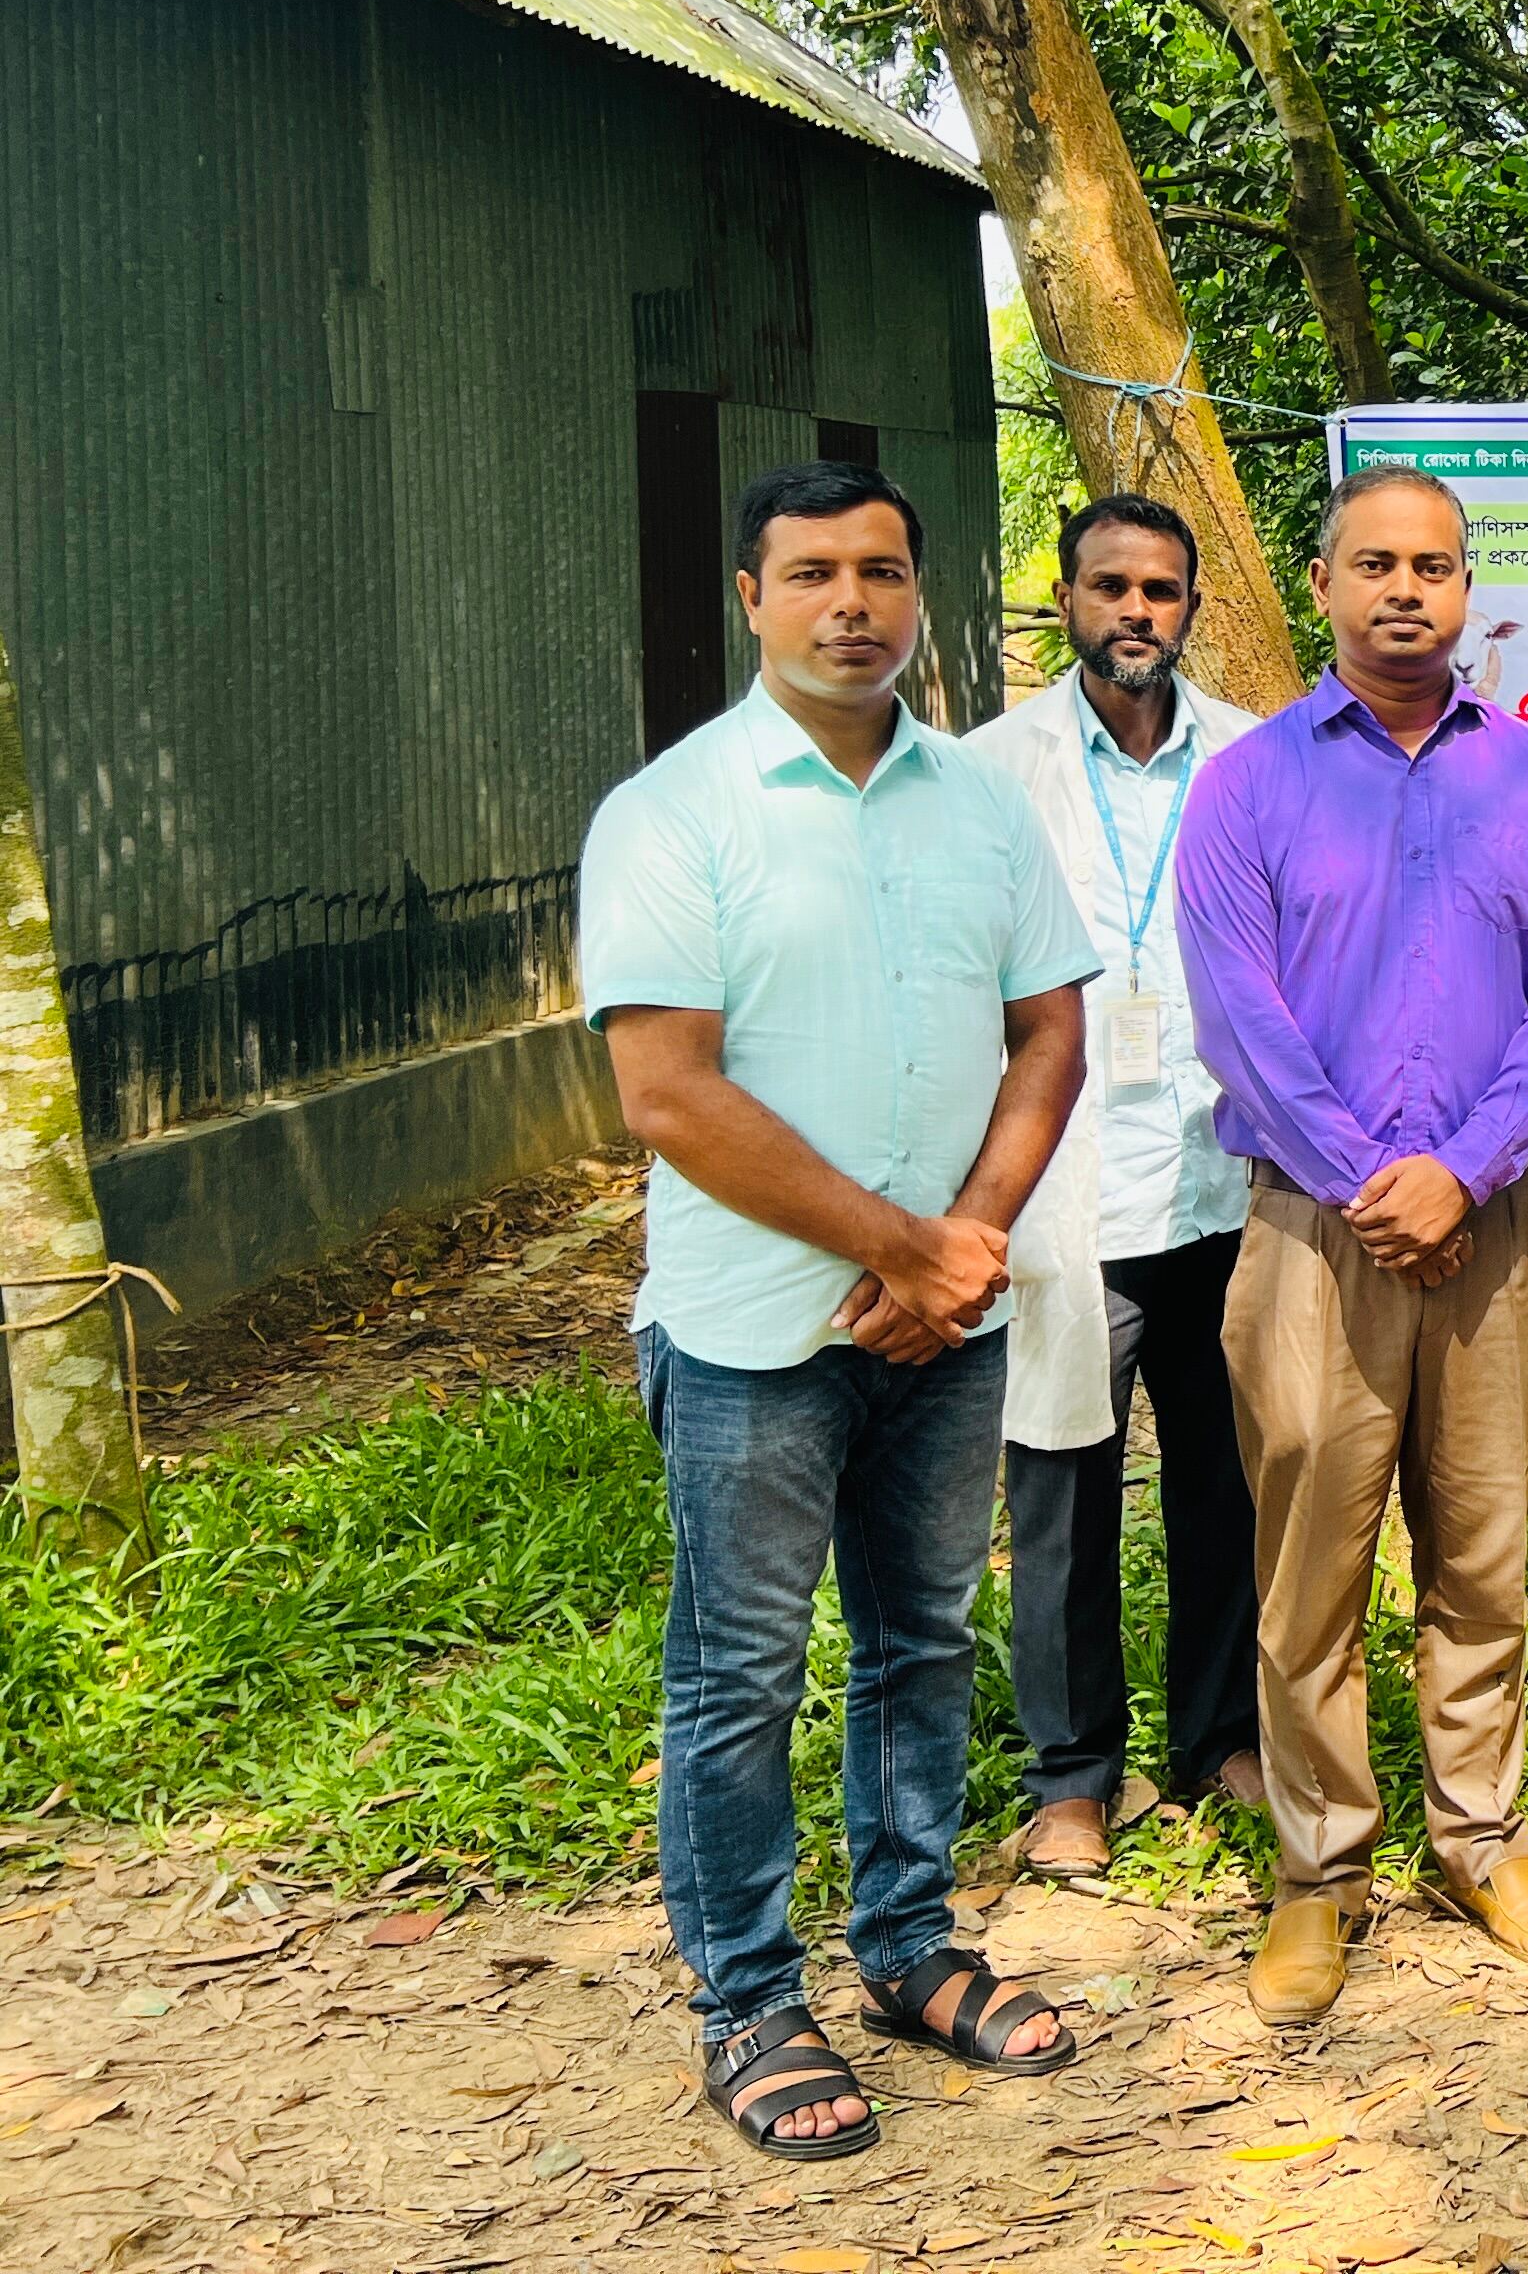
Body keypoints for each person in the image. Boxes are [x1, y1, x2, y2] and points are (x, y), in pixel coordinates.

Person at [581, 460, 1098, 2159]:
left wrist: (966, 1243)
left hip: (948, 1325)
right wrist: (907, 1245)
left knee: (922, 1637)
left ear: (918, 592)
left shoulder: (981, 806)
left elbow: (1049, 1031)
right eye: (811, 572)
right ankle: (746, 1996)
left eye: (881, 569)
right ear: (753, 596)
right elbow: (667, 1091)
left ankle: (904, 1943)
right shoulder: (674, 811)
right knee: (740, 1670)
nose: (852, 602)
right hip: (753, 1335)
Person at [1175, 465, 1528, 2018]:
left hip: (1496, 1233)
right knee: (1311, 1564)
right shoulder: (1248, 789)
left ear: (1467, 589)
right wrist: (1380, 1179)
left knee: (1481, 1550)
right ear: (1323, 584)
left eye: (1432, 565)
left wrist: (1467, 1171)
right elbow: (1239, 1018)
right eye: (1375, 563)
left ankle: (1480, 1840)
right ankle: (1318, 1873)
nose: (1405, 590)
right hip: (1316, 1228)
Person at [969, 494, 1267, 1879]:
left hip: (1224, 1183)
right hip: (1064, 1193)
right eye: (1110, 586)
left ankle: (1220, 1741)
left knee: (1228, 1485)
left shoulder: (1254, 759)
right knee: (1062, 1496)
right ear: (1066, 599)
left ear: (1191, 607)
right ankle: (1074, 1776)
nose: (1136, 610)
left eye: (1160, 590)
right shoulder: (991, 770)